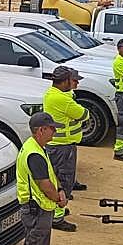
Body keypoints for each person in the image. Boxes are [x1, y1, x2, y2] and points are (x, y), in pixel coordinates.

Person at [16, 112, 68, 245]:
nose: (54, 131)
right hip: (36, 209)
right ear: (40, 130)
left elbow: (50, 176)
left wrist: (60, 189)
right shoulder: (35, 153)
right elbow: (44, 184)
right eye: (51, 128)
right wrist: (59, 198)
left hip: (38, 209)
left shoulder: (36, 147)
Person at [43, 66, 87, 235]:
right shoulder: (63, 100)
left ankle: (56, 210)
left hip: (57, 144)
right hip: (63, 147)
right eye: (72, 80)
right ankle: (57, 217)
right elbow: (84, 114)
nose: (75, 83)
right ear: (65, 81)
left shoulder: (53, 94)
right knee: (64, 181)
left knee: (57, 179)